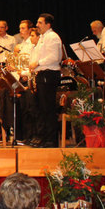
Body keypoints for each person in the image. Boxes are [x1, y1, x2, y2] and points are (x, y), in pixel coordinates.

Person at [29, 13, 62, 148]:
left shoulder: (52, 37)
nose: (37, 25)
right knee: (41, 108)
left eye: (40, 23)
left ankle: (51, 139)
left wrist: (37, 63)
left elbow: (54, 57)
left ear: (48, 25)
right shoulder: (42, 38)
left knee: (48, 108)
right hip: (41, 74)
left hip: (49, 74)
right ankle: (43, 137)